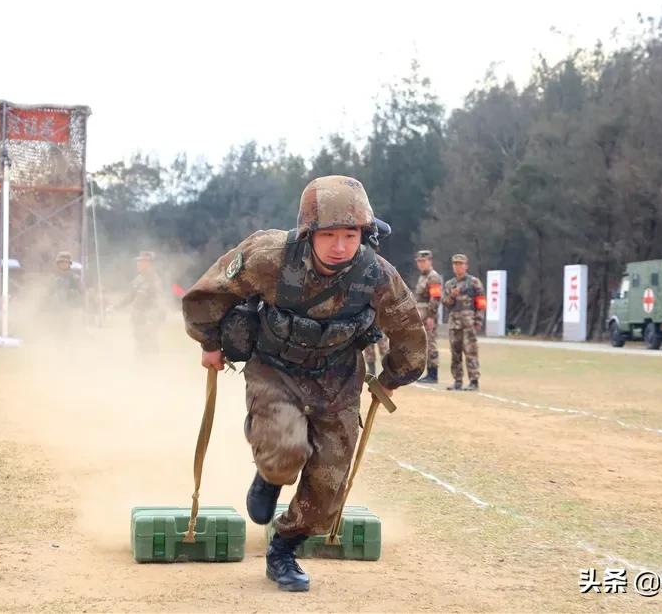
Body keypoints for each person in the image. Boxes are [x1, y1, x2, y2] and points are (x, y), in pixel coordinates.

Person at [182, 175, 425, 592]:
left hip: (337, 380)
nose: (339, 245)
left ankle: (284, 549)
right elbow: (211, 291)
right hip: (275, 369)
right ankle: (270, 475)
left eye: (350, 235)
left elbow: (406, 328)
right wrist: (209, 341)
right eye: (328, 234)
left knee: (329, 484)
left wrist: (395, 375)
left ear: (363, 234)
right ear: (309, 231)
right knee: (285, 449)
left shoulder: (377, 274)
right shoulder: (269, 256)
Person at [442, 253, 484, 391]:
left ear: (466, 266)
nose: (458, 267)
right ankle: (457, 380)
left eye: (460, 264)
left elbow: (481, 303)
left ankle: (474, 380)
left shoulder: (474, 282)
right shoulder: (450, 284)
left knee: (470, 351)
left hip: (468, 323)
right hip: (454, 324)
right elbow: (446, 304)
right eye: (455, 264)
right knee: (455, 353)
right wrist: (451, 296)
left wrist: (479, 320)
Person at [115, 251, 164, 352]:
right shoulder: (139, 279)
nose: (138, 264)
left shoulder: (154, 281)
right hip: (138, 320)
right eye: (138, 262)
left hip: (148, 321)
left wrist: (153, 321)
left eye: (141, 262)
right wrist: (116, 306)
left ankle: (151, 364)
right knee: (140, 345)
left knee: (149, 347)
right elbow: (130, 296)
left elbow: (159, 302)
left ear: (148, 263)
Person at [413, 250, 443, 383]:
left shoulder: (433, 277)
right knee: (422, 344)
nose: (421, 264)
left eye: (423, 261)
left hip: (428, 313)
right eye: (419, 261)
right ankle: (426, 372)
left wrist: (431, 316)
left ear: (430, 261)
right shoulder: (422, 277)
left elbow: (435, 297)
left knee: (430, 343)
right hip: (420, 313)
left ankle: (433, 374)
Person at [49, 251, 84, 332]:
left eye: (65, 262)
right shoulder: (54, 278)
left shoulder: (75, 277)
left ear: (69, 264)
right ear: (58, 264)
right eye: (61, 262)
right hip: (57, 310)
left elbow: (82, 292)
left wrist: (72, 294)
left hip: (72, 309)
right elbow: (49, 292)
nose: (63, 264)